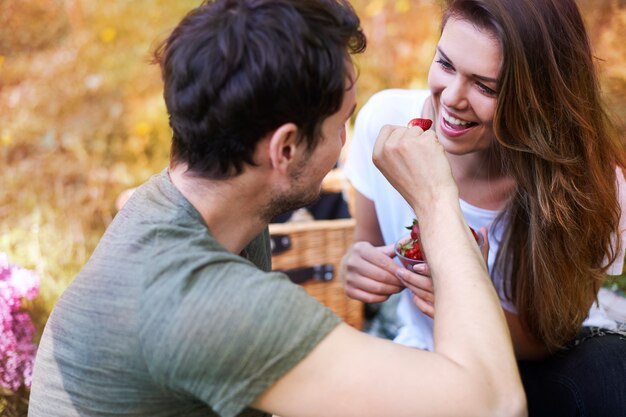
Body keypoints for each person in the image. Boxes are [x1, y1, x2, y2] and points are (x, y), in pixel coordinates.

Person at [27, 1, 526, 416]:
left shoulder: (193, 206)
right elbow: (495, 406)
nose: (346, 143)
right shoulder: (205, 304)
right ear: (285, 149)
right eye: (341, 123)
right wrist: (437, 198)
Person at [342, 0, 626, 415]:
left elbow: (547, 339)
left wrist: (463, 295)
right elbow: (362, 243)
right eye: (445, 63)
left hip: (527, 372)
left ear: (539, 96)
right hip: (425, 362)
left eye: (486, 87)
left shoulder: (595, 186)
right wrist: (357, 263)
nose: (452, 98)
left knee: (610, 371)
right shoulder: (385, 124)